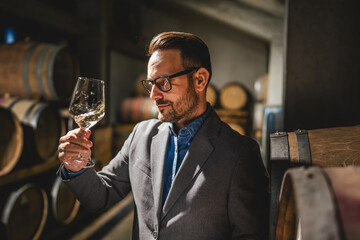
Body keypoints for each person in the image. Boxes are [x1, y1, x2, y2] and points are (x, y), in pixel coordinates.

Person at [58, 31, 269, 240]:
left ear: (200, 80)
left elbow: (250, 235)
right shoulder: (141, 134)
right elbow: (102, 196)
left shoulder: (240, 153)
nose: (153, 95)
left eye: (164, 82)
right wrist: (76, 166)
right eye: (151, 83)